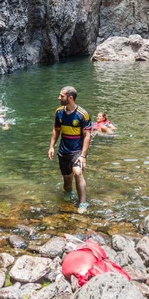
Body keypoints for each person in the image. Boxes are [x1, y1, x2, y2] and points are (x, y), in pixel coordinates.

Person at [48, 86, 92, 214]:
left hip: (77, 150)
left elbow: (87, 135)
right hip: (63, 151)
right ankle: (69, 193)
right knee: (67, 181)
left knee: (77, 172)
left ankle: (83, 203)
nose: (59, 98)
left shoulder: (82, 114)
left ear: (70, 98)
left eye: (62, 96)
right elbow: (56, 130)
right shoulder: (59, 112)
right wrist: (51, 146)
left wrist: (83, 155)